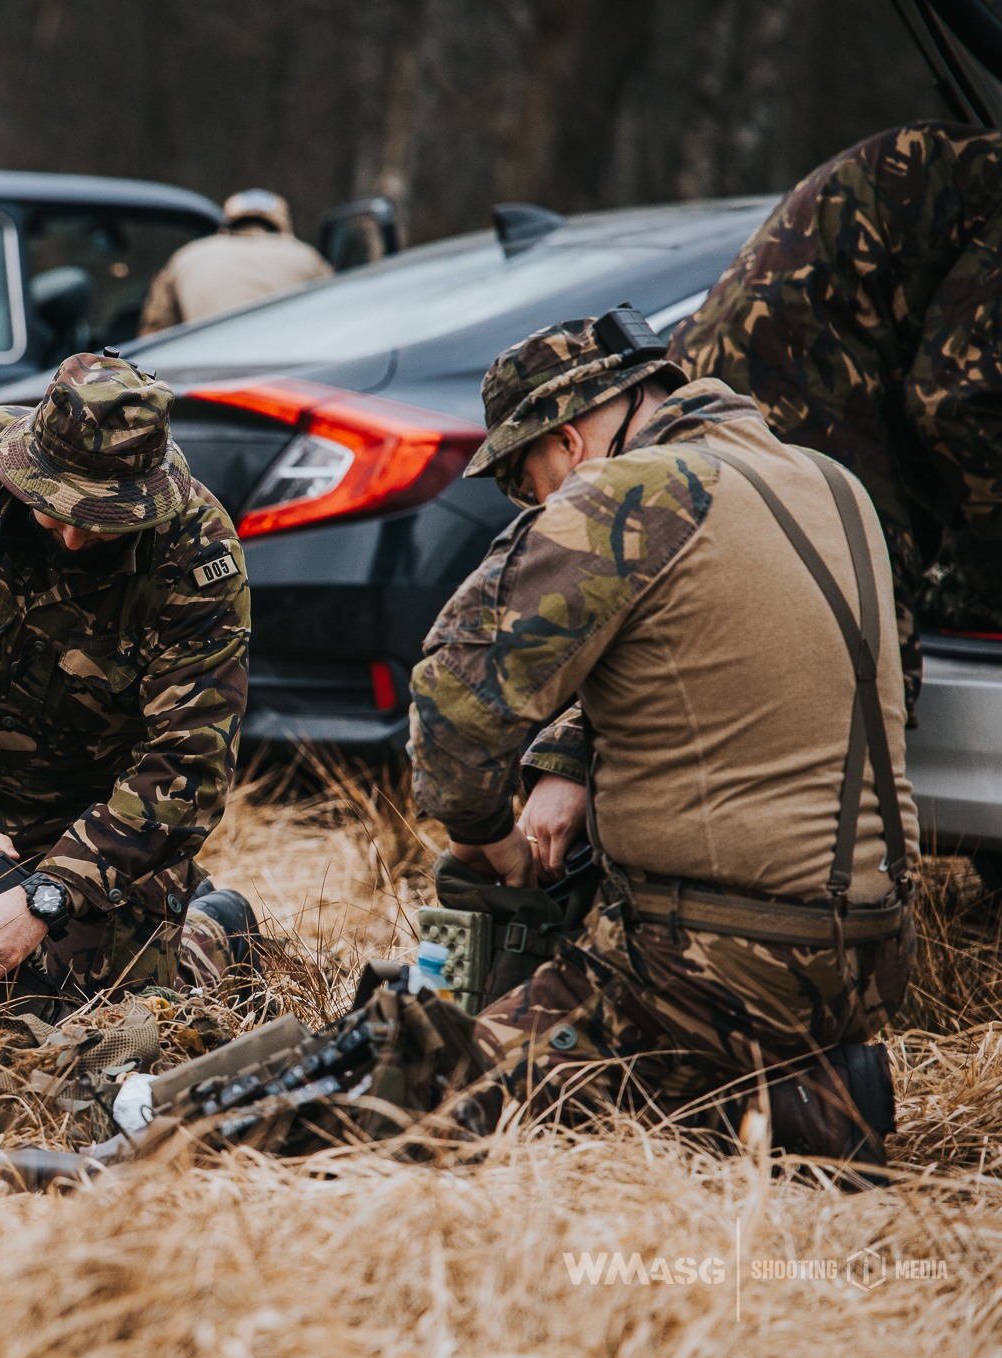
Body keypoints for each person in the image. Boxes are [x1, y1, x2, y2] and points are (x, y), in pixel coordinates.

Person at [411, 312, 919, 1163]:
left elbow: (450, 705)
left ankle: (775, 1106)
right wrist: (571, 759)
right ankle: (796, 1092)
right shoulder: (831, 485)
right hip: (873, 959)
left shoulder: (634, 491)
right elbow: (740, 655)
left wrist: (485, 834)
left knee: (415, 1091)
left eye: (531, 484)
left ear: (569, 443)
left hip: (708, 962)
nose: (541, 505)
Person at [0, 351, 255, 1000]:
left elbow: (188, 765)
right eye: (55, 507)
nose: (72, 538)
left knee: (75, 1026)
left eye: (103, 521)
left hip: (101, 830)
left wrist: (50, 892)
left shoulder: (196, 553)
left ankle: (214, 929)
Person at [670, 121, 1002, 713]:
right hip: (797, 378)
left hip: (728, 371)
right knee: (862, 658)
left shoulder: (976, 167)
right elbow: (955, 401)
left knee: (736, 644)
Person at [136, 189, 330, 336]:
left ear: (223, 229)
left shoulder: (186, 256)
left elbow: (155, 332)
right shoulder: (308, 257)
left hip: (205, 368)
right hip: (284, 370)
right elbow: (331, 320)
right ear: (285, 231)